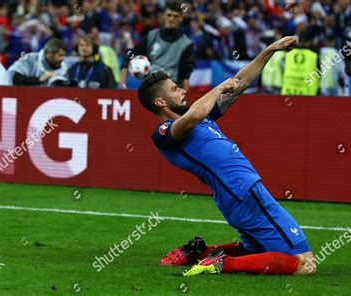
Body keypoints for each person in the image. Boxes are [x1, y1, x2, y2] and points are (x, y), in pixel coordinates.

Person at [137, 36, 316, 277]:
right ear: (160, 101)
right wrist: (219, 87)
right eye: (175, 89)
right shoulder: (165, 132)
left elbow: (240, 82)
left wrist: (270, 50)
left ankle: (202, 253)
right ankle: (221, 264)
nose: (183, 90)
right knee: (305, 265)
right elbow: (192, 117)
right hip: (242, 192)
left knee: (256, 248)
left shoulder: (204, 116)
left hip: (237, 195)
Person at [119, 2, 195, 90]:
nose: (171, 19)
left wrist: (184, 97)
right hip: (149, 86)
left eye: (175, 16)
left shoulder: (186, 44)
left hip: (171, 88)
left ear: (181, 18)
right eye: (169, 15)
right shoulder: (151, 35)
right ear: (164, 16)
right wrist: (122, 85)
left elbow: (185, 76)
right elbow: (129, 55)